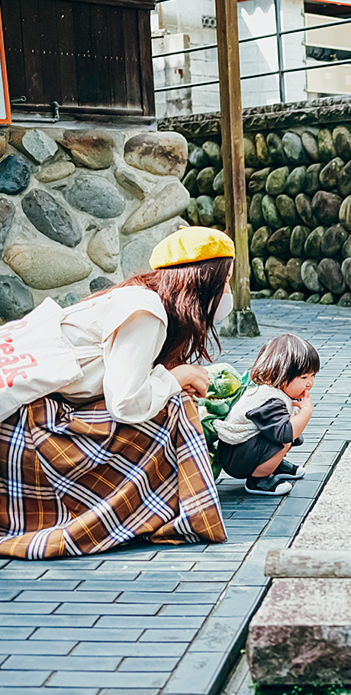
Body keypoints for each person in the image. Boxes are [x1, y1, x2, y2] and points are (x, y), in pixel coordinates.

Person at [0, 227, 235, 559]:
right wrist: (174, 377)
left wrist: (169, 379)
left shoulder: (137, 295)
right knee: (176, 406)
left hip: (32, 403)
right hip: (22, 419)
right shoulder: (146, 311)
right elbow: (125, 402)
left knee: (172, 400)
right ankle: (170, 512)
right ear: (201, 281)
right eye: (224, 281)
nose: (227, 291)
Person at [215, 334, 317, 496]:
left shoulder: (277, 393)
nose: (309, 382)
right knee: (284, 439)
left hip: (243, 449)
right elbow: (285, 434)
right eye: (304, 377)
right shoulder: (270, 399)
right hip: (236, 457)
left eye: (313, 376)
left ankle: (274, 466)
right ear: (279, 375)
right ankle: (258, 480)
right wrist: (306, 411)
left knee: (287, 433)